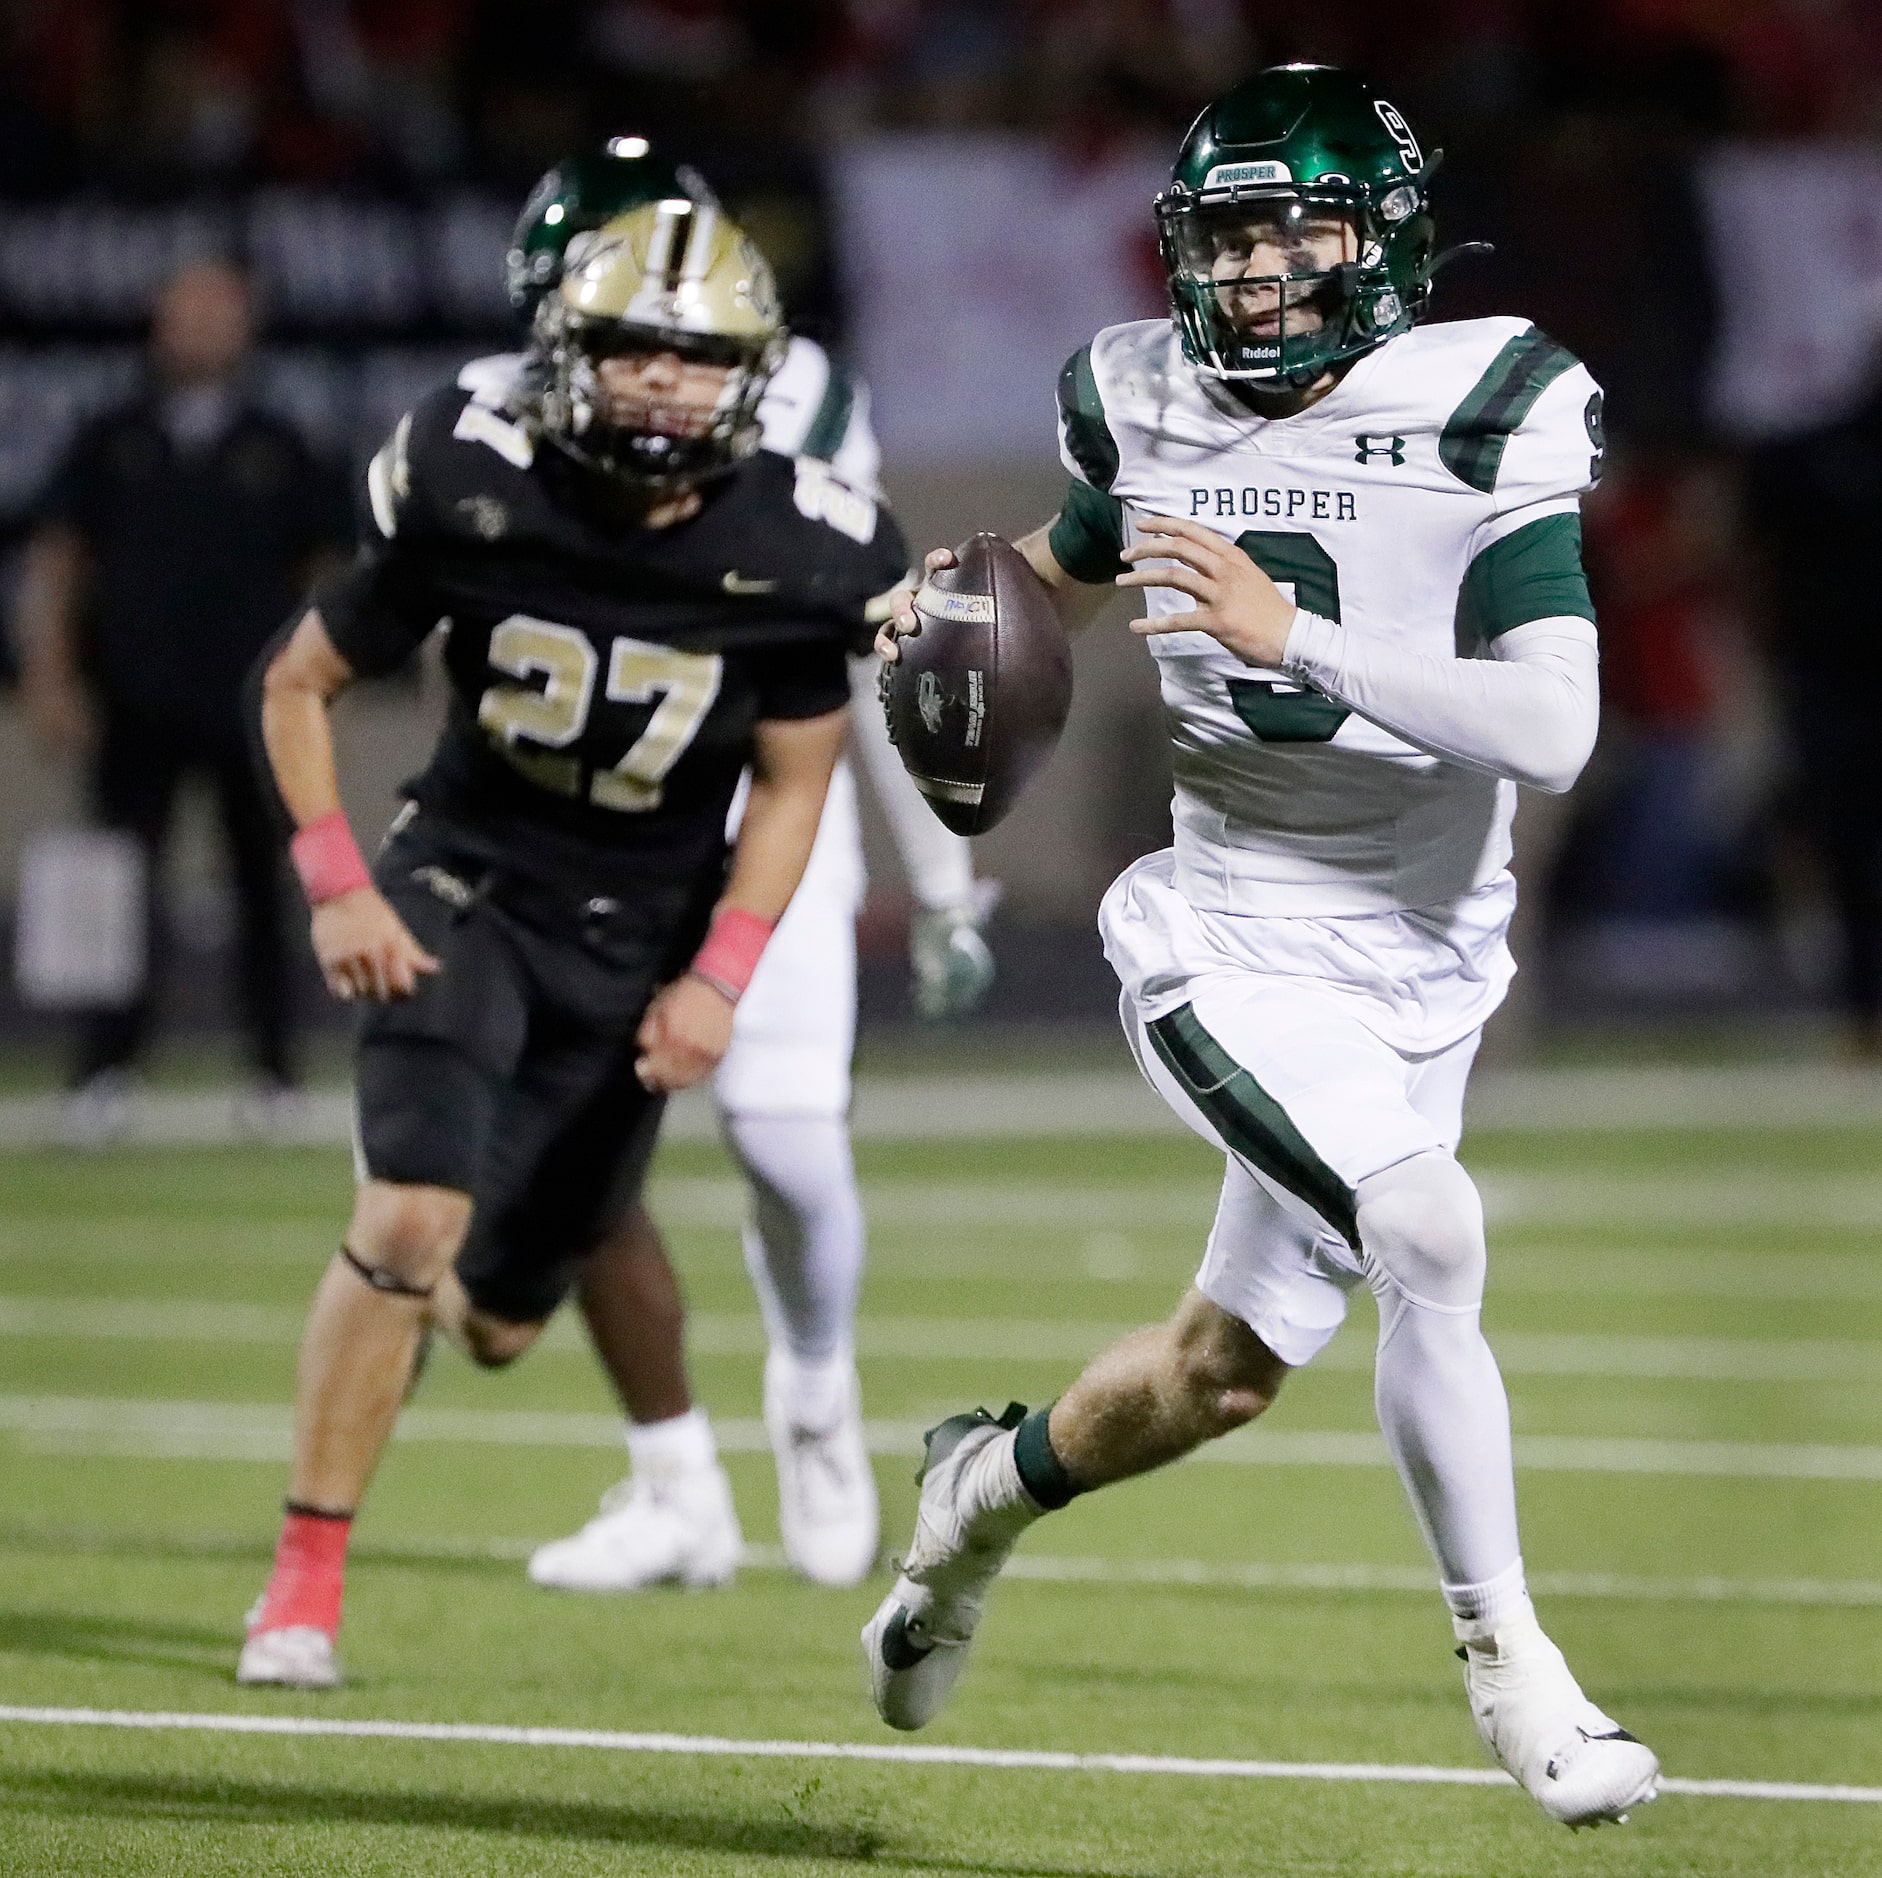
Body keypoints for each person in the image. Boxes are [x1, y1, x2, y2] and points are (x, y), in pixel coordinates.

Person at [866, 65, 1660, 1831]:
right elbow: (1061, 571)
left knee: (1216, 1373)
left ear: (1379, 245)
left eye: (1298, 232)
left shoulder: (1482, 404)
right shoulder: (1143, 398)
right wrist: (957, 599)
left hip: (1430, 960)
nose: (1254, 277)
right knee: (1425, 1224)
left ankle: (972, 1499)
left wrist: (1286, 626)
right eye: (1226, 241)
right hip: (1225, 934)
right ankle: (1514, 1667)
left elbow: (1549, 728)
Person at [237, 197, 906, 1689]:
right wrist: (339, 878)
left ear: (749, 373)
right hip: (462, 881)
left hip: (637, 938)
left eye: (694, 357)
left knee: (493, 1322)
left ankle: (446, 1233)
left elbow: (796, 781)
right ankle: (301, 1587)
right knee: (410, 1213)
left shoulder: (805, 546)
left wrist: (720, 973)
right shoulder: (480, 480)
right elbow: (298, 682)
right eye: (627, 350)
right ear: (565, 353)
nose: (661, 382)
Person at [454, 141, 994, 1594]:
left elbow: (860, 641)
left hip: (758, 817)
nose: (643, 369)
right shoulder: (488, 416)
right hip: (572, 835)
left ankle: (814, 1386)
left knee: (787, 1140)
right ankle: (675, 1479)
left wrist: (936, 873)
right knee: (573, 1170)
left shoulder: (797, 396)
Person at [14, 259, 344, 1133]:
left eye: (219, 311)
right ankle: (102, 1073)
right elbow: (58, 560)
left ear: (248, 324)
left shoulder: (281, 440)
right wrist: (50, 676)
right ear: (158, 320)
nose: (201, 327)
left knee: (265, 884)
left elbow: (326, 574)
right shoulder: (110, 434)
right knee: (120, 889)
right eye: (186, 310)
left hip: (254, 700)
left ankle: (275, 1072)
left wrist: (320, 685)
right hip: (135, 699)